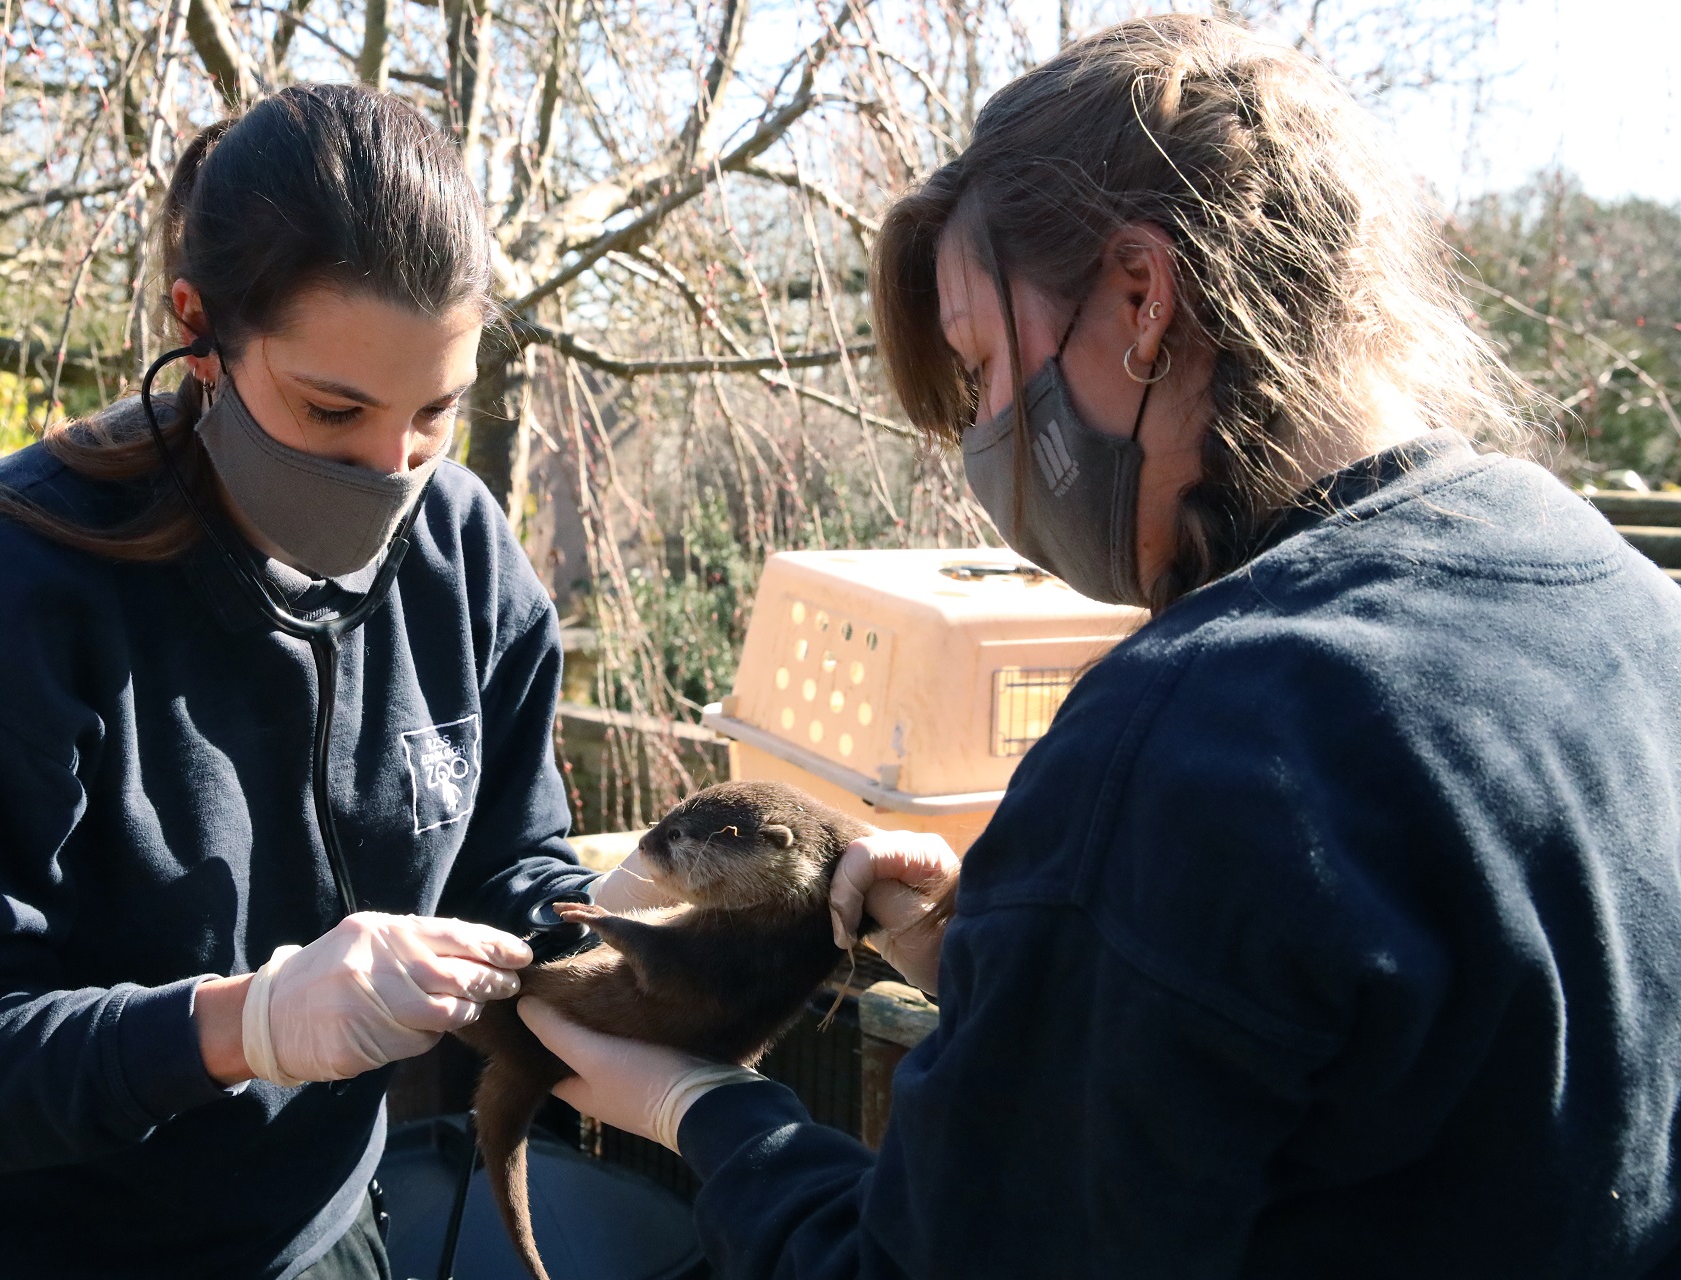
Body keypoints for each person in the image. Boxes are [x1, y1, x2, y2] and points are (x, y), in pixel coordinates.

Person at [521, 14, 1681, 1277]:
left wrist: (707, 1106)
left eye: (982, 366)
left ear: (1141, 298)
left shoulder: (1196, 734)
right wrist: (1021, 968)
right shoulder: (1627, 606)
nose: (983, 434)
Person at [0, 84, 660, 1280]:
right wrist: (237, 1023)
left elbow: (508, 869)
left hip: (313, 1236)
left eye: (434, 413)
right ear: (200, 329)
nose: (390, 470)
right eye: (332, 409)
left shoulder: (463, 553)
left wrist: (673, 927)